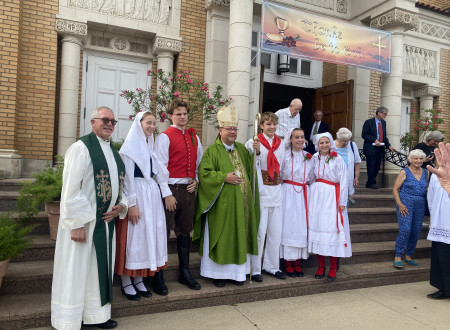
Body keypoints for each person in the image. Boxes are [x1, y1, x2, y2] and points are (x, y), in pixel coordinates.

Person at [51, 106, 128, 330]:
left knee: (98, 272)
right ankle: (70, 320)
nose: (109, 124)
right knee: (76, 271)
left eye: (113, 122)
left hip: (104, 224)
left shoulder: (113, 152)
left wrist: (121, 205)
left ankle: (97, 315)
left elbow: (122, 186)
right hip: (84, 224)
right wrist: (76, 224)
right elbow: (70, 189)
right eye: (105, 120)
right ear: (92, 122)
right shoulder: (81, 148)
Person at [193, 104, 260, 287]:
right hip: (222, 207)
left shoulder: (241, 149)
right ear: (220, 130)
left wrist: (257, 152)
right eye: (229, 128)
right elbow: (204, 175)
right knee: (223, 236)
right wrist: (224, 177)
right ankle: (218, 274)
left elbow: (252, 169)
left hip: (242, 206)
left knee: (240, 235)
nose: (233, 132)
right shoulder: (212, 151)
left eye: (235, 129)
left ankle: (238, 274)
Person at [115, 111, 168, 300]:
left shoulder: (150, 146)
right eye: (148, 123)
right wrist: (132, 204)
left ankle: (138, 279)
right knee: (133, 238)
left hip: (151, 197)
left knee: (146, 238)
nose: (152, 127)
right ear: (139, 124)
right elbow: (127, 179)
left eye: (154, 123)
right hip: (137, 195)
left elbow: (158, 172)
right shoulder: (129, 149)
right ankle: (126, 280)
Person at [155, 100, 203, 290]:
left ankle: (184, 272)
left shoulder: (194, 137)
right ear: (171, 116)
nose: (182, 117)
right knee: (164, 232)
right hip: (171, 189)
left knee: (184, 231)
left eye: (184, 113)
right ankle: (157, 276)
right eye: (178, 114)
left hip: (188, 190)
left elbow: (198, 163)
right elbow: (160, 167)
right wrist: (167, 194)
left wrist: (196, 180)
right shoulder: (164, 137)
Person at [245, 112, 286, 281]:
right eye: (268, 124)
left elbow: (281, 165)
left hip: (276, 190)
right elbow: (249, 165)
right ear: (261, 126)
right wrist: (256, 153)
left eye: (274, 124)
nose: (272, 127)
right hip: (260, 192)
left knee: (275, 233)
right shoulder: (253, 142)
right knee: (260, 232)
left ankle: (271, 265)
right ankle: (254, 269)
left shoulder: (281, 143)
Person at [308, 132, 349, 281]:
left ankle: (332, 267)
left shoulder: (337, 159)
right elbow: (310, 177)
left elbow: (344, 181)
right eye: (321, 143)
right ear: (317, 145)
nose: (324, 145)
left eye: (326, 142)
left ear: (331, 143)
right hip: (317, 197)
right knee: (318, 229)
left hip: (332, 196)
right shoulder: (313, 158)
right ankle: (320, 266)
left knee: (332, 230)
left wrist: (342, 202)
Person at [280, 128, 314, 277]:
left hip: (302, 194)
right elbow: (279, 174)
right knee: (288, 225)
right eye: (296, 137)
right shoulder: (285, 156)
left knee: (300, 227)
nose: (300, 140)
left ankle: (297, 262)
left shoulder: (309, 157)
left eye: (302, 137)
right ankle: (288, 262)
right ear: (291, 139)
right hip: (287, 193)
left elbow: (312, 177)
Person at [392, 149, 428, 269]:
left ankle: (408, 255)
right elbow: (395, 189)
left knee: (416, 230)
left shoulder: (426, 172)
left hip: (420, 203)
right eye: (415, 158)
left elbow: (426, 188)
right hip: (405, 203)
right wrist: (400, 204)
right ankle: (398, 255)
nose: (418, 161)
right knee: (406, 229)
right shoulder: (404, 171)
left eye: (421, 158)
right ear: (410, 159)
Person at [426, 142, 450, 299]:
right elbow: (431, 197)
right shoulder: (436, 176)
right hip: (440, 222)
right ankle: (443, 288)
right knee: (441, 257)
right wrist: (433, 217)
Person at [362, 106, 395, 189]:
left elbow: (384, 136)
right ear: (379, 113)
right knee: (371, 165)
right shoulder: (368, 122)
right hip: (371, 148)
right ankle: (371, 183)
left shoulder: (383, 123)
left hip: (380, 148)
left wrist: (389, 145)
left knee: (377, 166)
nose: (385, 115)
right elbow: (364, 134)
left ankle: (370, 183)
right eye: (384, 113)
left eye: (386, 114)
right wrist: (374, 140)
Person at [334, 128, 361, 198]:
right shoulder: (331, 145)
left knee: (344, 200)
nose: (346, 143)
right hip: (334, 178)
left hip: (347, 178)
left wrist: (356, 177)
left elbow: (357, 162)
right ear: (338, 138)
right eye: (343, 141)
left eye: (347, 141)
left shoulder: (352, 145)